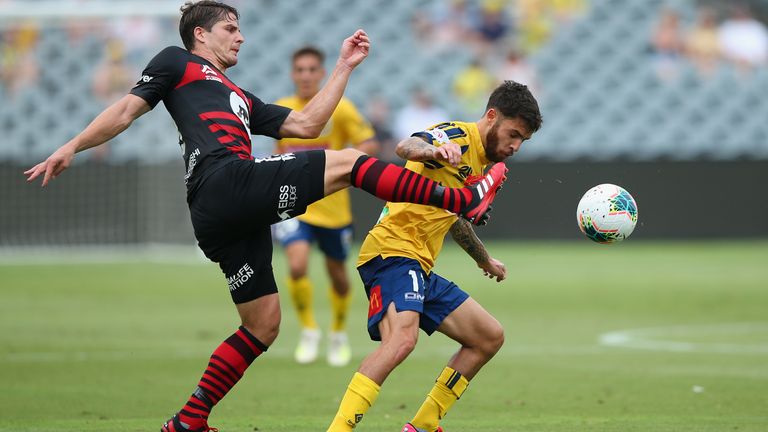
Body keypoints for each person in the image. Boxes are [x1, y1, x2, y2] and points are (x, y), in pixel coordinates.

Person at [24, 2, 508, 431]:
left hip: (223, 217)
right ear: (201, 34)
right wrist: (72, 145)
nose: (240, 36)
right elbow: (127, 110)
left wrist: (343, 67)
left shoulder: (237, 94)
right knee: (348, 162)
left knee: (263, 324)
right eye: (230, 27)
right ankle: (463, 200)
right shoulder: (177, 62)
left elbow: (305, 124)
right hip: (224, 181)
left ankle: (189, 419)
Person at [325, 81, 542, 432]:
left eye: (522, 140)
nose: (516, 146)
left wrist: (483, 259)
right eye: (513, 134)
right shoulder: (454, 135)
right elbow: (405, 146)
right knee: (402, 340)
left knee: (488, 337)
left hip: (418, 265)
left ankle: (423, 426)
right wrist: (433, 151)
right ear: (491, 117)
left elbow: (452, 214)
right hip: (391, 252)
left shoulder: (481, 165)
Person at [273, 46, 379, 367]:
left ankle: (337, 332)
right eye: (300, 70)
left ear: (321, 74)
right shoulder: (280, 109)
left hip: (333, 208)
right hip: (294, 204)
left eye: (311, 70)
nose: (305, 76)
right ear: (293, 74)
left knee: (338, 276)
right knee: (296, 265)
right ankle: (308, 330)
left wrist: (348, 166)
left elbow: (369, 142)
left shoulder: (340, 109)